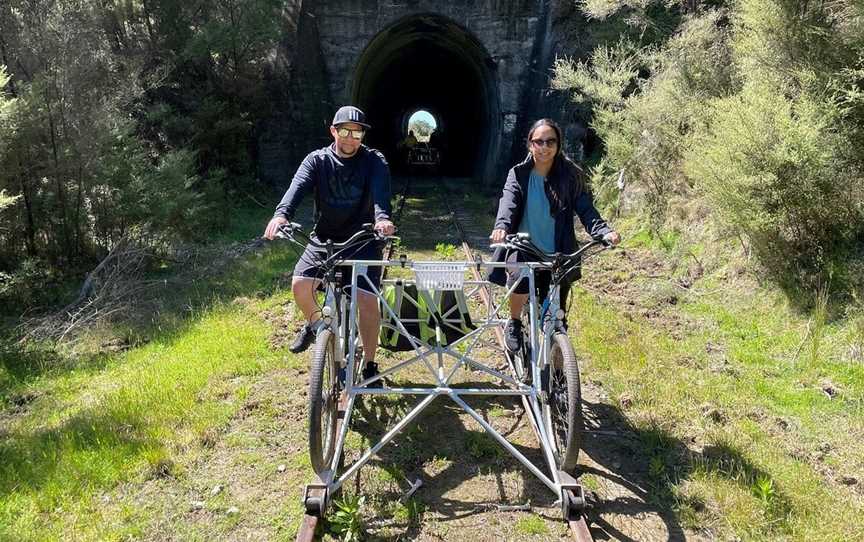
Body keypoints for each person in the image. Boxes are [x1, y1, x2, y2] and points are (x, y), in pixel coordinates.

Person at [264, 105, 395, 383]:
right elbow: (296, 187)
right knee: (301, 284)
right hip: (325, 239)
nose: (350, 138)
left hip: (363, 240)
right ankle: (317, 327)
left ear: (362, 136)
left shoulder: (374, 161)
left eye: (357, 133)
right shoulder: (317, 160)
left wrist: (382, 219)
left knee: (367, 302)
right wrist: (281, 214)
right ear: (333, 131)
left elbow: (382, 196)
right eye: (345, 131)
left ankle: (370, 363)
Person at [490, 118, 621, 352]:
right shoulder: (519, 174)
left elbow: (586, 209)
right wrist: (502, 226)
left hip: (559, 252)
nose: (544, 146)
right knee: (519, 279)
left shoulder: (570, 175)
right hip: (524, 247)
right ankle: (515, 322)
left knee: (556, 315)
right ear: (530, 145)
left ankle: (558, 358)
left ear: (558, 145)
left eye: (550, 141)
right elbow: (508, 202)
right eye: (538, 141)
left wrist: (603, 231)